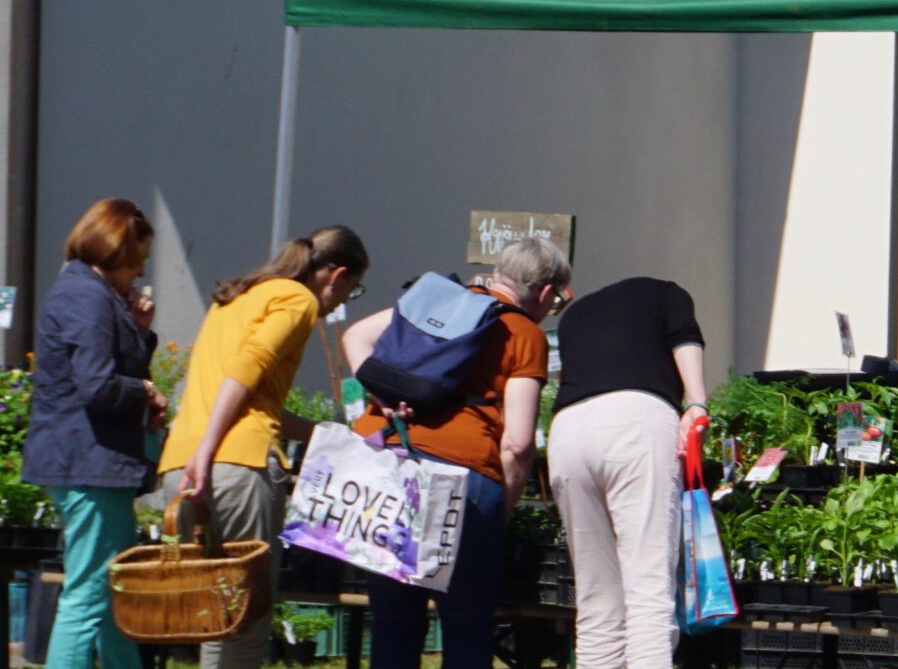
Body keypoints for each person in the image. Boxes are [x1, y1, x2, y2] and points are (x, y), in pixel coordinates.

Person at [343, 236, 570, 669]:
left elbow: (356, 335)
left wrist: (383, 394)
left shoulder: (437, 300)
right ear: (544, 292)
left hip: (389, 465)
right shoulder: (525, 333)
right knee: (466, 624)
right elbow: (518, 444)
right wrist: (500, 510)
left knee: (392, 622)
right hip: (464, 479)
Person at [157, 226, 370, 669]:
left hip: (181, 464)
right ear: (337, 275)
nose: (341, 303)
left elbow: (247, 399)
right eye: (352, 290)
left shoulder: (236, 297)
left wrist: (325, 434)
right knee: (247, 618)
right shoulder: (298, 299)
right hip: (236, 466)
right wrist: (210, 449)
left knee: (215, 612)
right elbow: (248, 366)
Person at [27, 199, 164, 669]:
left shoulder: (85, 291)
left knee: (111, 591)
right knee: (88, 597)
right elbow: (97, 385)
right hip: (91, 463)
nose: (140, 272)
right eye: (137, 261)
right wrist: (144, 391)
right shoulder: (88, 296)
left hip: (88, 462)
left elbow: (97, 373)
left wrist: (139, 333)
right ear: (114, 252)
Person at [550, 276, 711, 669]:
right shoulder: (667, 293)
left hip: (567, 432)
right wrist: (697, 403)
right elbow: (685, 338)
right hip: (636, 423)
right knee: (648, 590)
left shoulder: (573, 316)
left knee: (596, 599)